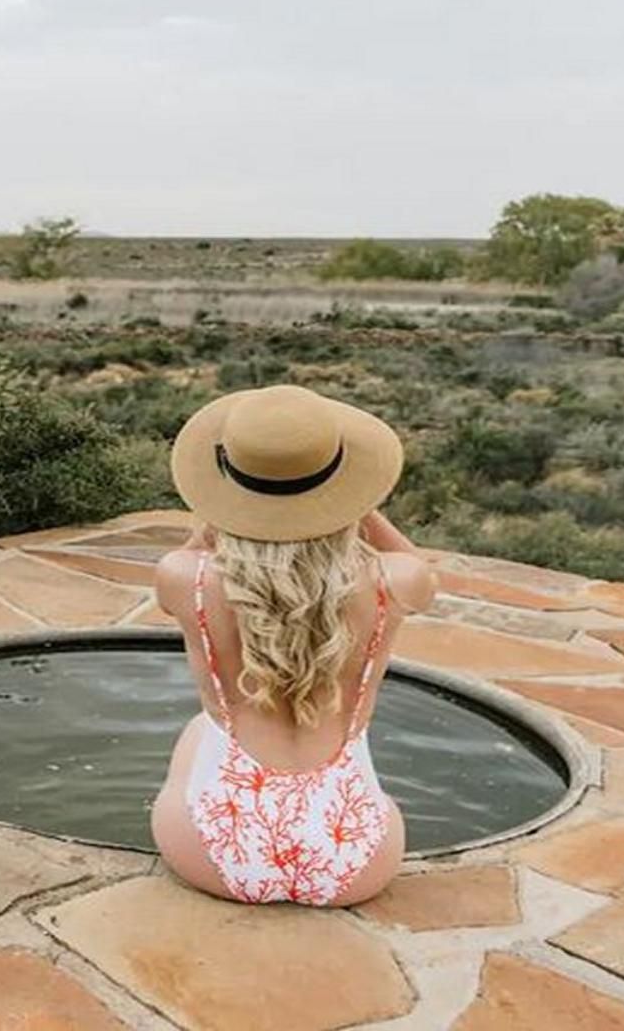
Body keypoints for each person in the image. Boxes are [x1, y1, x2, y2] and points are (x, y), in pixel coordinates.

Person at [151, 384, 435, 906]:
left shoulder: (183, 580)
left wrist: (224, 509)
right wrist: (354, 504)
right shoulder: (393, 582)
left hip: (214, 853)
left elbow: (196, 548)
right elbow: (423, 570)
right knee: (366, 786)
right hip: (358, 862)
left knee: (199, 730)